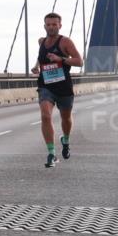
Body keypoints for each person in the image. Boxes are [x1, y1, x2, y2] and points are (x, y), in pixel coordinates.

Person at [30, 13, 82, 168]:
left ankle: (65, 140)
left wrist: (61, 59)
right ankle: (51, 154)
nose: (51, 27)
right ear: (44, 26)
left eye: (54, 24)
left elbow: (79, 61)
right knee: (46, 116)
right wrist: (37, 66)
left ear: (60, 25)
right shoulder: (42, 41)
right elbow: (42, 56)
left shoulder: (65, 42)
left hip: (63, 86)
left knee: (65, 118)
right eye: (48, 24)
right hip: (46, 85)